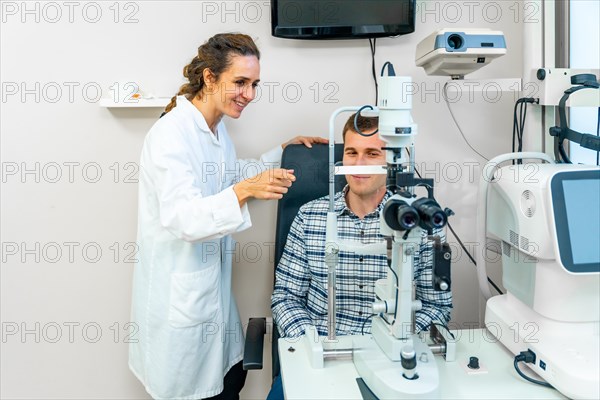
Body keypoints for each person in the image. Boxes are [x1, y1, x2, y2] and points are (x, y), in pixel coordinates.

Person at [128, 33, 326, 400]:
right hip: (182, 308)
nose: (249, 94)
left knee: (231, 379)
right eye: (240, 82)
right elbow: (182, 217)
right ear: (209, 78)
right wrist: (244, 192)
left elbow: (230, 177)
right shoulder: (172, 134)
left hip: (211, 297)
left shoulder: (215, 130)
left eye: (254, 84)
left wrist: (283, 152)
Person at [267, 113, 452, 399]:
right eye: (352, 152)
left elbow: (438, 305)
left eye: (372, 153)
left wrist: (397, 339)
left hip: (390, 358)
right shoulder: (310, 216)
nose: (359, 163)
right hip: (322, 355)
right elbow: (286, 297)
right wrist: (313, 343)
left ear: (392, 161)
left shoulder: (418, 223)